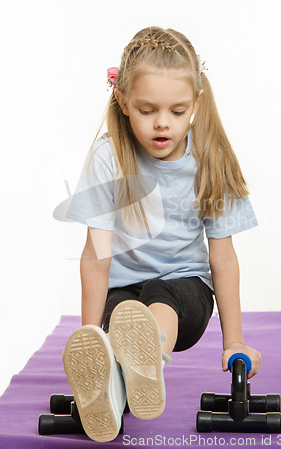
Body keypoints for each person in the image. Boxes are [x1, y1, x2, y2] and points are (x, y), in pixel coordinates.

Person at [62, 26, 262, 442]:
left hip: (184, 295)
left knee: (162, 294)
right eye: (147, 109)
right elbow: (97, 257)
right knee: (121, 313)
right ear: (122, 101)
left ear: (196, 104)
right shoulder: (109, 156)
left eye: (176, 110)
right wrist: (90, 339)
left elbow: (222, 258)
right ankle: (113, 379)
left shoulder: (210, 159)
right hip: (121, 296)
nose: (162, 124)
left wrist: (235, 343)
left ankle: (148, 356)